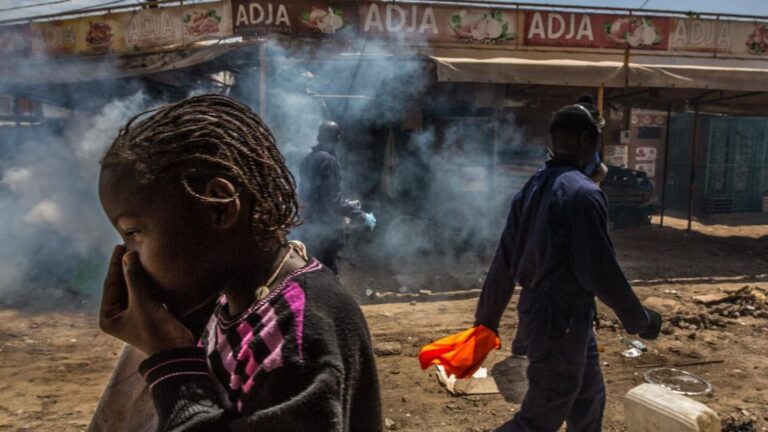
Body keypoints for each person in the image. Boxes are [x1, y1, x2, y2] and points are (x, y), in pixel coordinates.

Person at [96, 94, 382, 431]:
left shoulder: (296, 341)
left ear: (219, 208)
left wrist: (168, 360)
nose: (127, 255)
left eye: (134, 231)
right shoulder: (231, 299)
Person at [474, 95, 662, 432]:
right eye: (598, 141)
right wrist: (639, 319)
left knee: (589, 398)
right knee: (540, 416)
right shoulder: (584, 193)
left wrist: (486, 319)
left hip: (556, 315)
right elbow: (600, 270)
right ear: (587, 141)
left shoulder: (532, 187)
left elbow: (503, 259)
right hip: (559, 319)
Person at [298, 121, 376, 274]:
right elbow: (333, 201)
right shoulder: (328, 161)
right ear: (337, 138)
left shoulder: (308, 159)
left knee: (312, 273)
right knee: (328, 275)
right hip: (325, 230)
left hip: (309, 226)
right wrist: (361, 215)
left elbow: (309, 194)